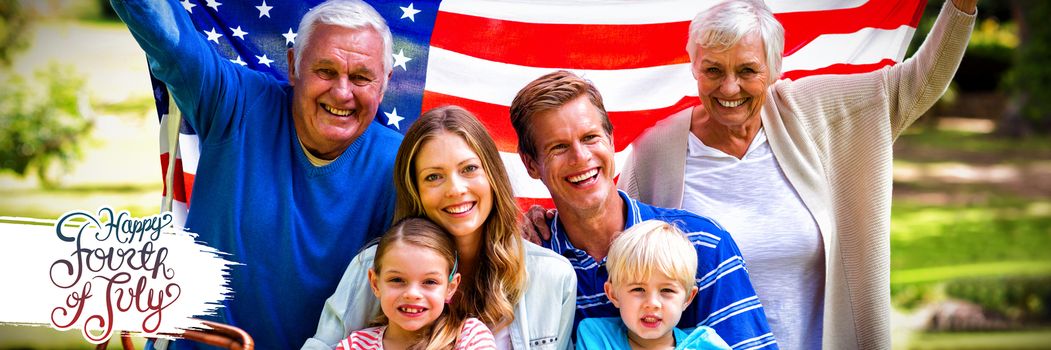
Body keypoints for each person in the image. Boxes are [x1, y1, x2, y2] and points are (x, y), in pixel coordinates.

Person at [616, 0, 977, 348]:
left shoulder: (810, 113)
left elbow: (918, 84)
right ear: (694, 68)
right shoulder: (656, 151)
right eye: (713, 70)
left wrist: (962, 5)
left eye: (747, 70)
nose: (729, 87)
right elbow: (612, 245)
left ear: (773, 70)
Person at [110, 0, 403, 347]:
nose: (342, 92)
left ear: (384, 84)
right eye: (325, 71)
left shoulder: (402, 165)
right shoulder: (234, 102)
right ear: (293, 65)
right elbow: (163, 32)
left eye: (361, 78)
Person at [510, 70, 776, 349]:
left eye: (590, 137)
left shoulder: (703, 244)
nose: (581, 157)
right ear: (530, 164)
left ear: (611, 140)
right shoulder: (529, 265)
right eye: (559, 147)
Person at [305, 106, 576, 350]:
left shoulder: (553, 278)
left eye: (469, 169)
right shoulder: (373, 264)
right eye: (434, 176)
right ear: (415, 190)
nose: (456, 189)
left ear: (492, 176)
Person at [336, 217, 496, 350]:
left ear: (451, 287)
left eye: (429, 282)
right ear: (375, 284)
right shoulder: (354, 345)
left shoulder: (469, 337)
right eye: (397, 280)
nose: (412, 294)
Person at [576, 220, 731, 350]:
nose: (652, 303)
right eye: (638, 289)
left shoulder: (704, 345)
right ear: (613, 294)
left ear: (688, 298)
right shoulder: (597, 337)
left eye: (667, 290)